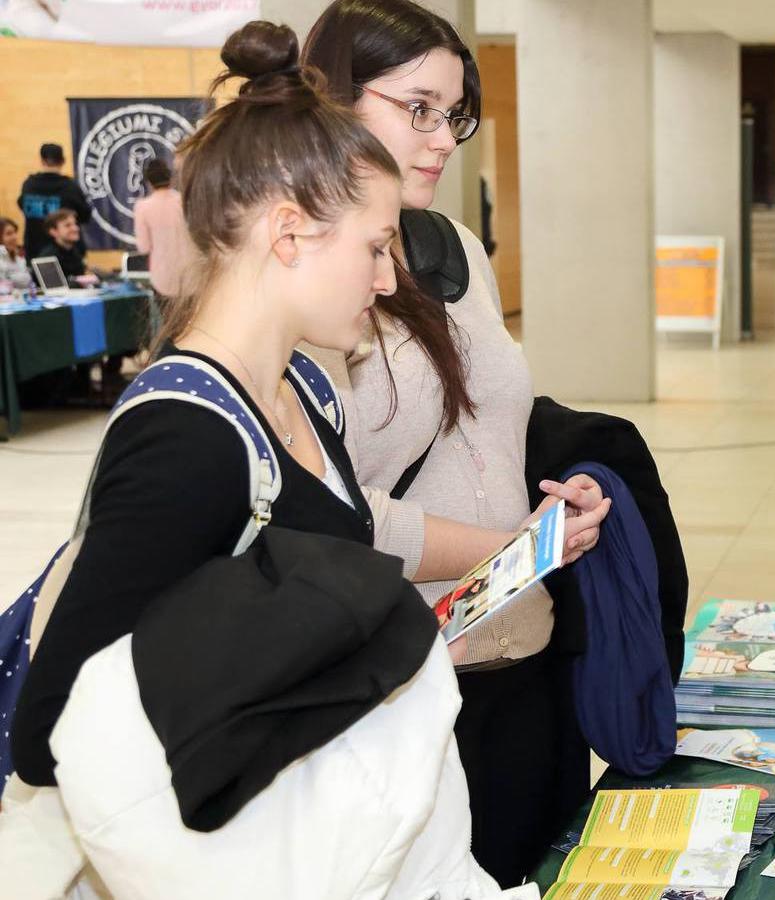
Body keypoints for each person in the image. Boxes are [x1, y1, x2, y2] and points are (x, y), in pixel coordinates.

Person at [0, 22, 500, 897]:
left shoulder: (301, 386)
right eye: (375, 248)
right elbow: (55, 727)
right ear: (289, 234)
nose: (387, 281)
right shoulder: (185, 442)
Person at [302, 0, 610, 883]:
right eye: (418, 109)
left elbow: (493, 424)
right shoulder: (308, 282)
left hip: (526, 640)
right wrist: (512, 547)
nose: (443, 139)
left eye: (454, 114)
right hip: (409, 679)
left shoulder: (456, 249)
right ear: (334, 99)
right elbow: (326, 514)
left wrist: (554, 509)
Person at [131, 156, 194, 299]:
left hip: (163, 279)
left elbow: (143, 247)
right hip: (191, 277)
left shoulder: (142, 207)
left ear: (149, 183)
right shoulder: (184, 201)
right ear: (171, 179)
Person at [17, 143, 92, 260]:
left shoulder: (29, 185)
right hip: (67, 256)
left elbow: (22, 206)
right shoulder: (70, 187)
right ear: (63, 161)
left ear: (42, 161)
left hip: (34, 251)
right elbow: (85, 216)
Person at [32, 210, 96, 285]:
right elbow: (54, 287)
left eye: (75, 224)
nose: (75, 228)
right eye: (68, 225)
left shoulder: (75, 252)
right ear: (53, 231)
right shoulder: (47, 257)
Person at [0, 217, 27, 290]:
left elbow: (26, 281)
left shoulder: (18, 256)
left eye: (15, 232)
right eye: (9, 234)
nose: (14, 237)